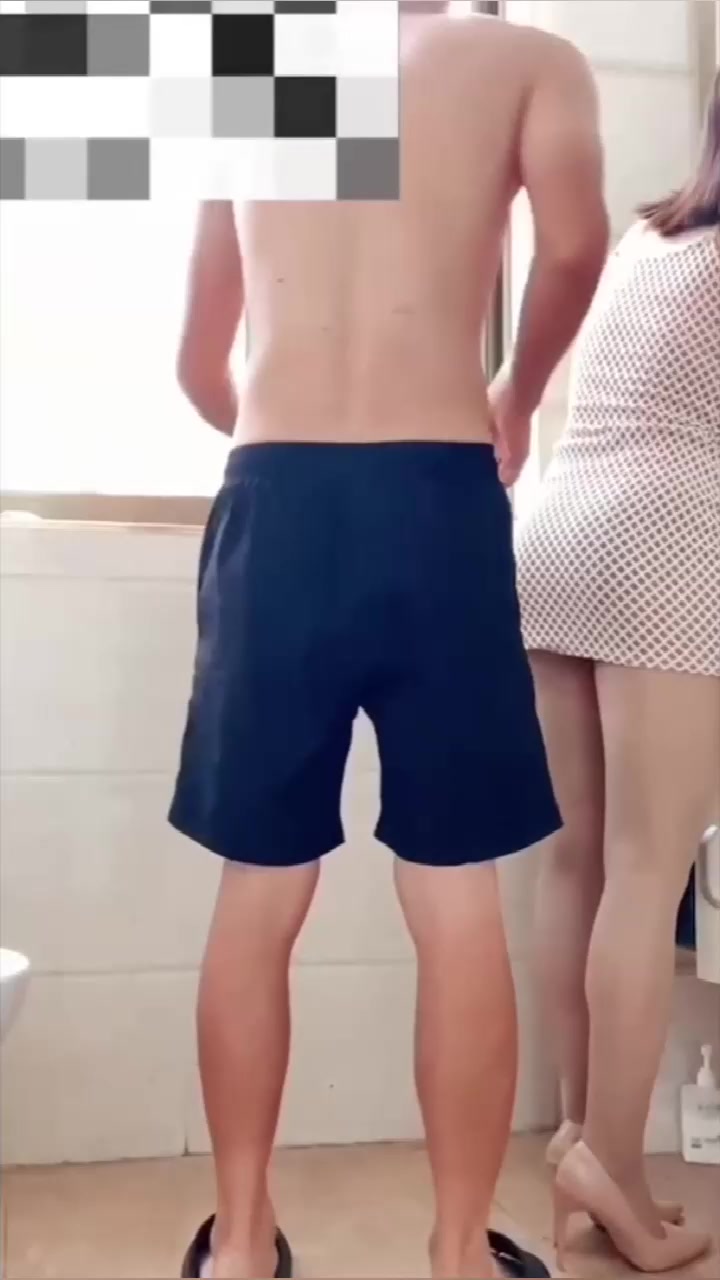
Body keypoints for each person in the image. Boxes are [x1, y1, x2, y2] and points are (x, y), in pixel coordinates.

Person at [170, 3, 608, 1276]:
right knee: (454, 890)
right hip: (435, 493)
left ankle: (241, 1241)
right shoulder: (528, 59)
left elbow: (197, 361)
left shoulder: (258, 74)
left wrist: (291, 447)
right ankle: (461, 1251)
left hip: (279, 498)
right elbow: (574, 244)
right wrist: (513, 395)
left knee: (258, 888)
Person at [515, 70, 720, 1276]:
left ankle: (577, 1142)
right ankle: (618, 1173)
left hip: (561, 528)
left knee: (580, 859)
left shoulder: (655, 237)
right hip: (665, 546)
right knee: (649, 869)